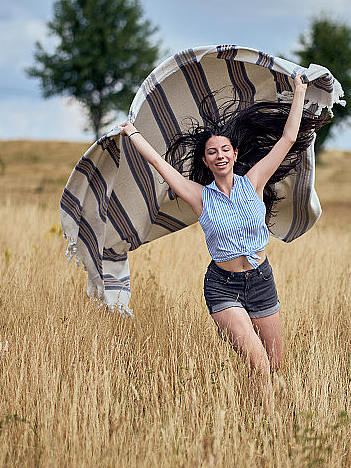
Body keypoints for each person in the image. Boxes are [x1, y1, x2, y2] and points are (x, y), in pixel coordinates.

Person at [119, 74, 327, 405]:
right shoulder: (199, 196)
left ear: (234, 153)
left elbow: (288, 138)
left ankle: (261, 415)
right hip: (223, 287)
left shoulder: (254, 181)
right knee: (259, 364)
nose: (219, 156)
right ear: (205, 161)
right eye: (212, 152)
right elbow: (159, 163)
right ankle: (265, 425)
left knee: (275, 364)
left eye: (225, 150)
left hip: (261, 281)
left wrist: (300, 91)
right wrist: (131, 132)